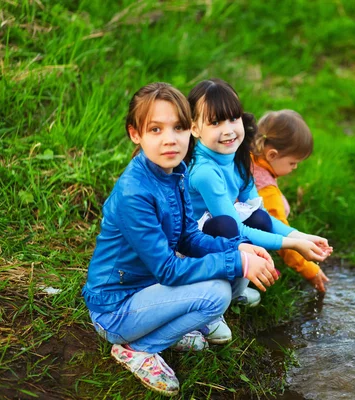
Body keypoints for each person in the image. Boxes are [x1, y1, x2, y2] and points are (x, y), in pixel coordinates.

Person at [82, 82, 278, 397]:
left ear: (190, 130)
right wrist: (236, 261)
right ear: (136, 134)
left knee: (222, 278)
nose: (170, 139)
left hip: (145, 292)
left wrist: (236, 247)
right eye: (156, 129)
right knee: (216, 294)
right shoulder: (135, 193)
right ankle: (138, 348)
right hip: (115, 308)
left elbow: (188, 237)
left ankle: (160, 328)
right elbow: (168, 269)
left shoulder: (177, 171)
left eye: (179, 127)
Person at [186, 78, 332, 306]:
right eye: (215, 123)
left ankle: (234, 291)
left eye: (233, 119)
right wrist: (292, 245)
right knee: (227, 227)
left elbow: (261, 214)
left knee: (260, 218)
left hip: (220, 233)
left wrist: (299, 236)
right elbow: (235, 230)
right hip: (189, 244)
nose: (228, 131)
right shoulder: (204, 171)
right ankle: (212, 300)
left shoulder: (239, 157)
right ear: (195, 128)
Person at [252, 110, 330, 292]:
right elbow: (281, 238)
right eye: (293, 163)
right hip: (239, 239)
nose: (295, 168)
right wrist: (310, 270)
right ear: (271, 155)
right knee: (277, 211)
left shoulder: (248, 155)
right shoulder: (266, 190)